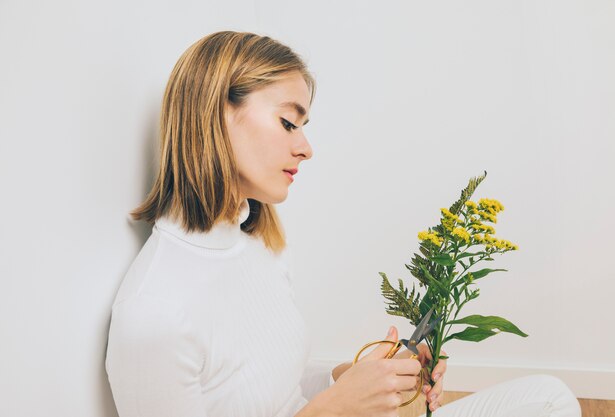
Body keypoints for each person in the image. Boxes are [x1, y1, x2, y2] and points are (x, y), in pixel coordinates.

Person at [104, 30, 581, 417]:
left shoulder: (257, 247)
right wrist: (334, 411)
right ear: (216, 115)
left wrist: (356, 380)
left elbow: (279, 390)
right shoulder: (155, 315)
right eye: (289, 123)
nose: (306, 147)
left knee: (550, 396)